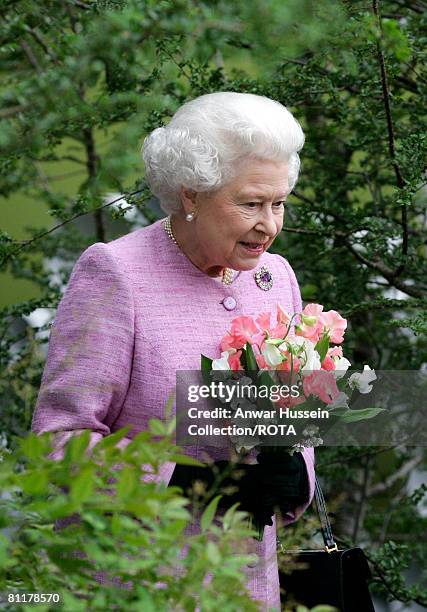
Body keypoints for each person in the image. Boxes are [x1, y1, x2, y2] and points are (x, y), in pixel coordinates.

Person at [32, 91, 315, 610]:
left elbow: (297, 413)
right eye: (250, 203)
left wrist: (297, 473)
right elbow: (59, 443)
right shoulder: (117, 274)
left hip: (249, 583)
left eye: (278, 203)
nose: (270, 225)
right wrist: (182, 482)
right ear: (191, 194)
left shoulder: (277, 278)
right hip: (141, 580)